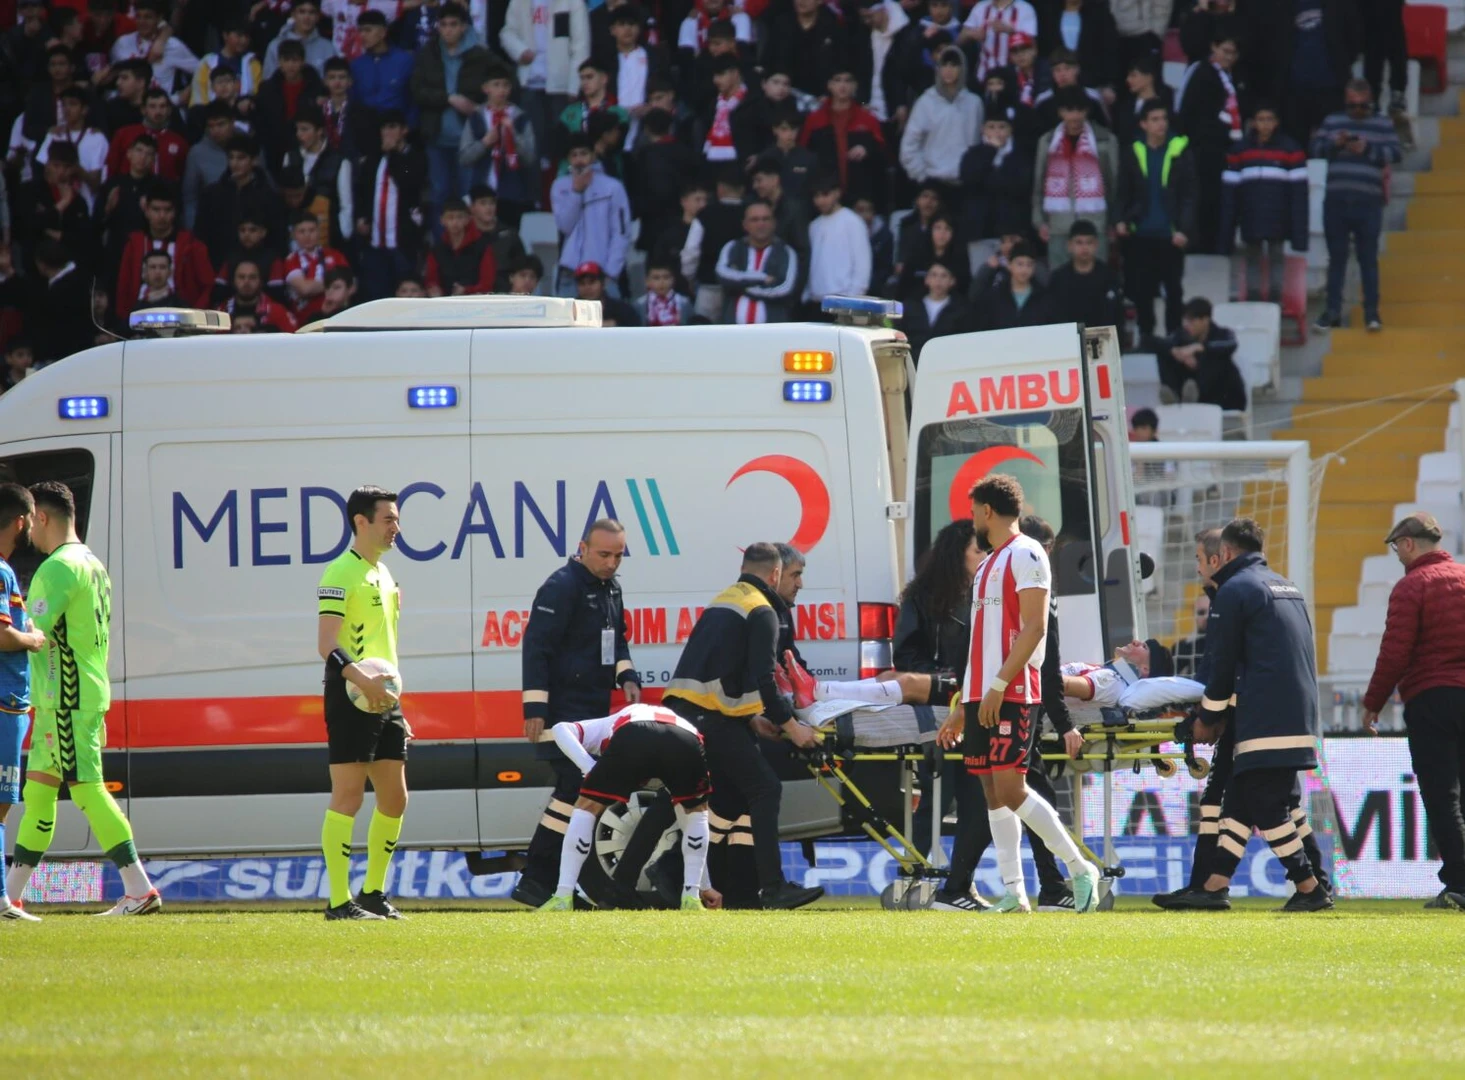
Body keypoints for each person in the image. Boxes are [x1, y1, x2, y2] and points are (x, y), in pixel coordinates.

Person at [936, 474, 1102, 913]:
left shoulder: (1027, 553)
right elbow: (978, 643)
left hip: (1010, 693)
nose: (972, 517)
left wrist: (996, 686)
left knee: (1011, 789)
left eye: (974, 509)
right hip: (980, 696)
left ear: (987, 510)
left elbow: (1035, 628)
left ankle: (1079, 868)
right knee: (992, 792)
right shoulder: (991, 562)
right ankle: (1015, 891)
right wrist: (961, 706)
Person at [3, 481, 159, 917]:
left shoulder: (56, 569)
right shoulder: (91, 563)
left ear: (45, 518)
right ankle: (9, 895)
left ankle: (138, 888)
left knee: (87, 787)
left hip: (65, 696)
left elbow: (33, 632)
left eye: (32, 522)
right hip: (70, 696)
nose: (28, 531)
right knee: (39, 794)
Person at [661, 544, 824, 909]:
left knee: (729, 796)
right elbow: (763, 678)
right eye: (795, 575)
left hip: (694, 713)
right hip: (708, 716)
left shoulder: (727, 599)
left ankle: (671, 867)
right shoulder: (761, 610)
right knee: (765, 788)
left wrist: (753, 717)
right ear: (775, 574)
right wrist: (791, 726)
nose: (799, 584)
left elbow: (727, 669)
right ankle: (773, 887)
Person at [1187, 518, 1332, 912]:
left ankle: (1309, 887)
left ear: (1228, 552)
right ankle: (1214, 885)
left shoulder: (1235, 590)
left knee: (1268, 809)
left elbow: (1221, 665)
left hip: (1265, 717)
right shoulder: (1286, 585)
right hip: (1298, 711)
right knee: (1241, 802)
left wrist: (1207, 717)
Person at [514, 520, 642, 908]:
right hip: (562, 709)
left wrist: (628, 676)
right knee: (575, 788)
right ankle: (538, 879)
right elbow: (536, 648)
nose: (611, 563)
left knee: (577, 791)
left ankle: (549, 884)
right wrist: (535, 707)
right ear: (582, 547)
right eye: (604, 554)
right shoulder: (561, 586)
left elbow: (615, 639)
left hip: (592, 708)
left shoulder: (610, 588)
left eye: (618, 555)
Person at [314, 486, 409, 921]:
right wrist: (363, 683)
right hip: (350, 694)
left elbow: (385, 646)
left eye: (397, 518)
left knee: (395, 799)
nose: (396, 527)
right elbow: (327, 646)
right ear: (361, 522)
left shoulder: (386, 576)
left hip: (383, 699)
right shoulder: (339, 573)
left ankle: (373, 892)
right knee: (348, 798)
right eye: (388, 519)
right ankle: (338, 902)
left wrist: (391, 701)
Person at [1361, 512, 1465, 911]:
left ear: (1407, 544)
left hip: (1433, 697)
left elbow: (1396, 651)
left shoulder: (1412, 586)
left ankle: (1459, 882)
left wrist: (1374, 701)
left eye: (1395, 548)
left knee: (1443, 796)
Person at [539, 703, 718, 911]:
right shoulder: (671, 720)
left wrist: (589, 767)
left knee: (585, 807)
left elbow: (561, 728)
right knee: (697, 814)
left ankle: (562, 896)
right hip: (686, 739)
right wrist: (706, 886)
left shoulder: (604, 727)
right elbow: (691, 827)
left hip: (635, 733)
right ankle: (692, 897)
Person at [1310, 80, 1402, 333]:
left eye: (1362, 106)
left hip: (1368, 201)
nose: (1357, 110)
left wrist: (1368, 149)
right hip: (1336, 200)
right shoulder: (1332, 121)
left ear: (1370, 101)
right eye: (1352, 106)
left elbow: (1396, 153)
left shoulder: (1382, 123)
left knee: (1368, 258)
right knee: (1336, 258)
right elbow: (1315, 149)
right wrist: (1335, 144)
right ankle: (1332, 312)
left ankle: (1371, 313)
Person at [0, 484, 44, 920]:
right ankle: (1, 899)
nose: (32, 525)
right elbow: (1, 634)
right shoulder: (1, 571)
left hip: (7, 699)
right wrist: (32, 638)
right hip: (4, 701)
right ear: (19, 521)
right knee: (1, 803)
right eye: (30, 518)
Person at [1117, 98, 1194, 342]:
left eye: (1163, 119)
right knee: (1142, 290)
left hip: (1170, 235)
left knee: (1174, 290)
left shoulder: (1180, 150)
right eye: (1154, 120)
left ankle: (1174, 335)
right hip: (1140, 232)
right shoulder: (1133, 151)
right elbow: (1123, 190)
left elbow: (1189, 195)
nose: (1161, 124)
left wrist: (1184, 229)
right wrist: (1121, 219)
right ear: (1143, 124)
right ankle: (1147, 335)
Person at [1217, 103, 1308, 304]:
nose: (1265, 124)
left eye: (1269, 119)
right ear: (1253, 122)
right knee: (1252, 257)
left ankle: (1276, 297)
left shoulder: (1291, 149)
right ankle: (1253, 297)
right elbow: (1230, 192)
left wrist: (1298, 231)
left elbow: (1299, 193)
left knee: (1276, 256)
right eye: (1261, 119)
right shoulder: (1239, 150)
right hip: (1250, 216)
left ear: (1276, 122)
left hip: (1279, 217)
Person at [410, 3, 492, 223]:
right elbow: (417, 91)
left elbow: (499, 85)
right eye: (443, 25)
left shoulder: (480, 54)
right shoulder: (428, 52)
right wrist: (448, 98)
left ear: (464, 27)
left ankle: (469, 249)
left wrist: (479, 108)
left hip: (468, 140)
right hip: (437, 138)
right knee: (439, 195)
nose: (448, 30)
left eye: (453, 25)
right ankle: (441, 249)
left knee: (468, 197)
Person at [1032, 86, 1118, 266]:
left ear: (1087, 111)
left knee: (1095, 282)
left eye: (1080, 110)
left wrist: (1113, 221)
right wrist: (1039, 221)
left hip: (1095, 224)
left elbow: (1114, 184)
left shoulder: (1105, 139)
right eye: (1069, 110)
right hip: (1058, 224)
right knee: (1060, 284)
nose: (1075, 116)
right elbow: (1039, 184)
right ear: (1060, 112)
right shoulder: (1047, 141)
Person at [1175, 32, 1242, 253]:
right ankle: (1200, 243)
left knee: (1220, 198)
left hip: (1226, 150)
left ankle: (1218, 242)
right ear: (1214, 47)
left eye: (1233, 53)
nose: (1229, 57)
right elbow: (1186, 111)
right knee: (1202, 195)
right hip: (1201, 148)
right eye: (1225, 51)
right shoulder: (1200, 71)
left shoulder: (1234, 77)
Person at [354, 110, 428, 300]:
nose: (388, 132)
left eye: (393, 127)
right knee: (377, 295)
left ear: (404, 130)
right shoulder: (373, 158)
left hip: (402, 242)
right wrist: (362, 216)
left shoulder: (415, 156)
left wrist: (393, 154)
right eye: (385, 128)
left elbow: (408, 183)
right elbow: (363, 190)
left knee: (404, 294)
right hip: (375, 242)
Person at [899, 46, 983, 208]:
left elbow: (978, 143)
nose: (949, 70)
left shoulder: (974, 103)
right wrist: (923, 177)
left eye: (954, 65)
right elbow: (909, 145)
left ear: (962, 68)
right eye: (944, 65)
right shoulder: (926, 102)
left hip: (965, 187)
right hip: (933, 184)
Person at [551, 133, 632, 297]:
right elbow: (564, 226)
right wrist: (576, 192)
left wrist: (611, 272)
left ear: (593, 155)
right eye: (574, 155)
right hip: (570, 272)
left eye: (584, 154)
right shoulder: (560, 186)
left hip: (602, 273)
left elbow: (622, 233)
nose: (579, 160)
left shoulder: (612, 187)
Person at [800, 69, 889, 212]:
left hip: (860, 198)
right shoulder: (814, 119)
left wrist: (867, 149)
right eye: (838, 80)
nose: (843, 85)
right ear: (829, 85)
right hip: (825, 197)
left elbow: (884, 155)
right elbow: (803, 155)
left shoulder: (868, 119)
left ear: (855, 86)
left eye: (848, 80)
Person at [460, 64, 538, 224]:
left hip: (512, 193)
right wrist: (485, 142)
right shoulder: (476, 118)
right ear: (485, 88)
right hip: (482, 192)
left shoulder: (520, 118)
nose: (501, 90)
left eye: (505, 85)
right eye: (496, 85)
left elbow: (530, 157)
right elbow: (464, 157)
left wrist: (513, 135)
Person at [717, 200, 801, 325]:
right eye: (755, 220)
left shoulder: (786, 252)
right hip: (733, 332)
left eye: (766, 219)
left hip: (772, 333)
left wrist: (743, 288)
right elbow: (722, 274)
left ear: (774, 223)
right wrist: (761, 278)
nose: (761, 224)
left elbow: (785, 288)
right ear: (745, 224)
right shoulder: (733, 248)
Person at [805, 176, 872, 317]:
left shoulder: (852, 221)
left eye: (825, 194)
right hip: (816, 300)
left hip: (843, 301)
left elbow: (862, 263)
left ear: (837, 193)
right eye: (816, 196)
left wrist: (853, 298)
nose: (820, 201)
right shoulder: (814, 225)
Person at [1160, 297, 1245, 409]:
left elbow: (1231, 344)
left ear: (1205, 320)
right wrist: (1178, 353)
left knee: (1214, 358)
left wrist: (1199, 348)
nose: (1186, 325)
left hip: (1224, 397)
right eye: (1185, 320)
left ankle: (1194, 398)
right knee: (1168, 355)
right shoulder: (1181, 335)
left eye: (1191, 321)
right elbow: (1158, 343)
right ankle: (1174, 395)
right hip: (1191, 386)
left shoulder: (1222, 334)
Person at [1048, 218, 1124, 332]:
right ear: (1069, 245)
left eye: (1089, 242)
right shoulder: (1058, 278)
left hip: (1103, 340)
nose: (1084, 247)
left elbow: (1117, 317)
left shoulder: (1109, 277)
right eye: (1079, 242)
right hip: (1068, 341)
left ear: (1096, 245)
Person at [976, 240, 1057, 329]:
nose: (1024, 269)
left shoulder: (1045, 297)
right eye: (1020, 264)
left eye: (1029, 264)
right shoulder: (995, 296)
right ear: (1009, 265)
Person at [425, 199, 497, 296]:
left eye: (460, 217)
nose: (455, 222)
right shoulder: (437, 250)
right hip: (444, 303)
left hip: (475, 302)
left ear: (467, 219)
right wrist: (434, 289)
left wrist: (467, 290)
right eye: (450, 217)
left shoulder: (482, 246)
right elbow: (431, 280)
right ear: (442, 220)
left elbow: (487, 283)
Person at [904, 259, 972, 358]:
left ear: (952, 281)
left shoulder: (961, 310)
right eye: (934, 275)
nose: (938, 280)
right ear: (927, 279)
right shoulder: (910, 306)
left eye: (944, 276)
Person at [960, 0, 1040, 81]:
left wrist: (1011, 31)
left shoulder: (1025, 8)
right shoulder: (980, 7)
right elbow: (959, 39)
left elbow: (1032, 45)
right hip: (984, 75)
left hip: (1015, 77)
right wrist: (971, 34)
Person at [574, 261, 640, 325]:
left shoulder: (623, 310)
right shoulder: (569, 311)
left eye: (592, 282)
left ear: (603, 283)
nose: (587, 288)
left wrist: (617, 325)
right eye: (582, 283)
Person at [636, 261, 694, 326]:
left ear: (673, 279)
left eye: (666, 277)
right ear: (647, 281)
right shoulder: (639, 305)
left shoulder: (684, 303)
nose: (662, 282)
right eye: (656, 278)